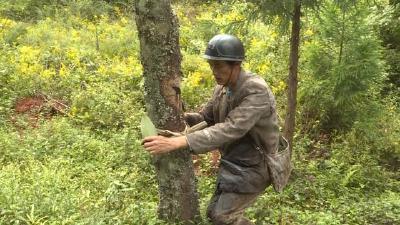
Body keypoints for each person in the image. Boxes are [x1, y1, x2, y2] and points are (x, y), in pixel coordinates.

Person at [143, 34, 280, 225]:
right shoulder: (222, 88)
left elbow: (231, 128)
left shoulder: (256, 90)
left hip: (256, 165)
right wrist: (179, 118)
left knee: (221, 217)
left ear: (236, 64)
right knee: (213, 214)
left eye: (219, 66)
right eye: (211, 65)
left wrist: (178, 142)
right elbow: (207, 118)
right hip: (234, 161)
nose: (214, 71)